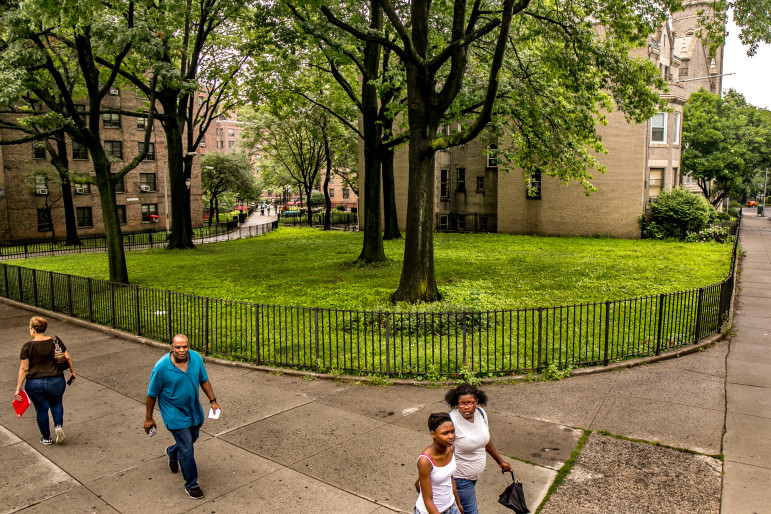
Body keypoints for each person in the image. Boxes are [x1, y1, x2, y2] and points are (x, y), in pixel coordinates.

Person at [144, 334, 220, 500]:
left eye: (184, 346)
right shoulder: (161, 367)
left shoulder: (196, 359)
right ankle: (191, 485)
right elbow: (151, 396)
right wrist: (149, 418)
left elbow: (204, 380)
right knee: (187, 448)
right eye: (178, 347)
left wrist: (213, 401)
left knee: (193, 436)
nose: (181, 350)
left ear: (189, 346)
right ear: (171, 346)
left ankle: (172, 452)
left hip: (193, 409)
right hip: (173, 413)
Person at [446, 383, 512, 514]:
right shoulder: (451, 421)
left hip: (473, 477)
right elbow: (442, 450)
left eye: (470, 403)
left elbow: (486, 441)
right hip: (460, 478)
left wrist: (500, 461)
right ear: (456, 403)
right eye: (462, 403)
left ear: (477, 402)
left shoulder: (481, 414)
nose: (466, 407)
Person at [14, 316, 75, 445]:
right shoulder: (55, 341)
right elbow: (67, 357)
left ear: (33, 330)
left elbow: (24, 369)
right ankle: (58, 426)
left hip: (35, 383)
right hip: (56, 380)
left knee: (41, 409)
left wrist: (18, 388)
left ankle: (46, 438)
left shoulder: (28, 346)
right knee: (56, 403)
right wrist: (72, 371)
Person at [415, 412, 464, 514]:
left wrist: (458, 504)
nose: (451, 436)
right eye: (445, 433)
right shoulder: (425, 461)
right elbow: (428, 500)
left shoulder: (451, 448)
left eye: (452, 431)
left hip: (451, 507)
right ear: (433, 434)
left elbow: (450, 478)